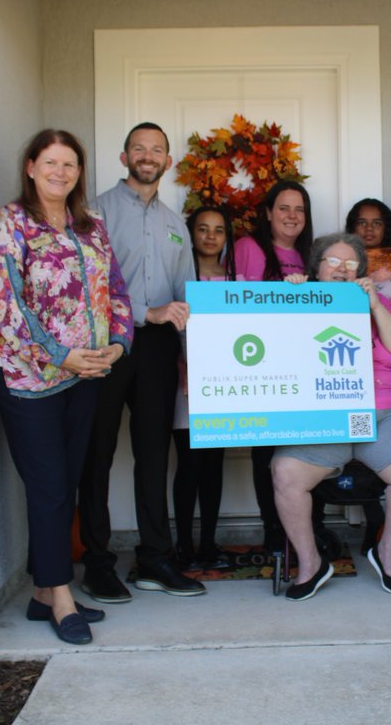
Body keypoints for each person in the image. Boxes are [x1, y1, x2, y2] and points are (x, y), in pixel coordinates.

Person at [0, 129, 133, 645]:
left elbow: (114, 288)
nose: (60, 172)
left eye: (69, 165)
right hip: (30, 379)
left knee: (63, 485)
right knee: (48, 487)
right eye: (50, 162)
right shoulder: (11, 224)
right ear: (30, 167)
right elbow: (7, 305)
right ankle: (60, 594)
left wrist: (116, 344)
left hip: (87, 375)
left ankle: (44, 592)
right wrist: (60, 354)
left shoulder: (90, 228)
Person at [78, 122, 205, 604]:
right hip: (106, 345)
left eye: (156, 150)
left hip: (157, 351)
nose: (147, 156)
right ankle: (97, 564)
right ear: (124, 156)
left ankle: (154, 559)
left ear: (168, 162)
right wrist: (140, 313)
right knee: (98, 455)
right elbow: (87, 291)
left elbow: (184, 298)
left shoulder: (176, 225)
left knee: (154, 456)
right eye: (139, 148)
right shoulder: (95, 213)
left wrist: (193, 362)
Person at [273, 233, 391, 600]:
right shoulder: (300, 300)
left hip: (384, 413)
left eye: (350, 264)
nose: (342, 270)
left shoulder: (383, 304)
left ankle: (387, 551)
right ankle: (311, 563)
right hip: (326, 417)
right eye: (333, 262)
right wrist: (289, 297)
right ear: (317, 268)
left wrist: (372, 302)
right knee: (285, 473)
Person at [233, 180, 316, 552]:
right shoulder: (247, 248)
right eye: (284, 208)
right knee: (266, 454)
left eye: (299, 210)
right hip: (260, 366)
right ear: (268, 213)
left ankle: (307, 533)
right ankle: (273, 533)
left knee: (305, 453)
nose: (292, 216)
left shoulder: (312, 255)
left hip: (304, 369)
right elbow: (234, 304)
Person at [171, 205, 236, 568]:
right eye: (203, 229)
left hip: (222, 384)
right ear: (191, 233)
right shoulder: (181, 275)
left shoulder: (233, 279)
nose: (211, 236)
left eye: (219, 230)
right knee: (189, 465)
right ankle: (183, 546)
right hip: (186, 384)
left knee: (214, 466)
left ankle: (209, 544)